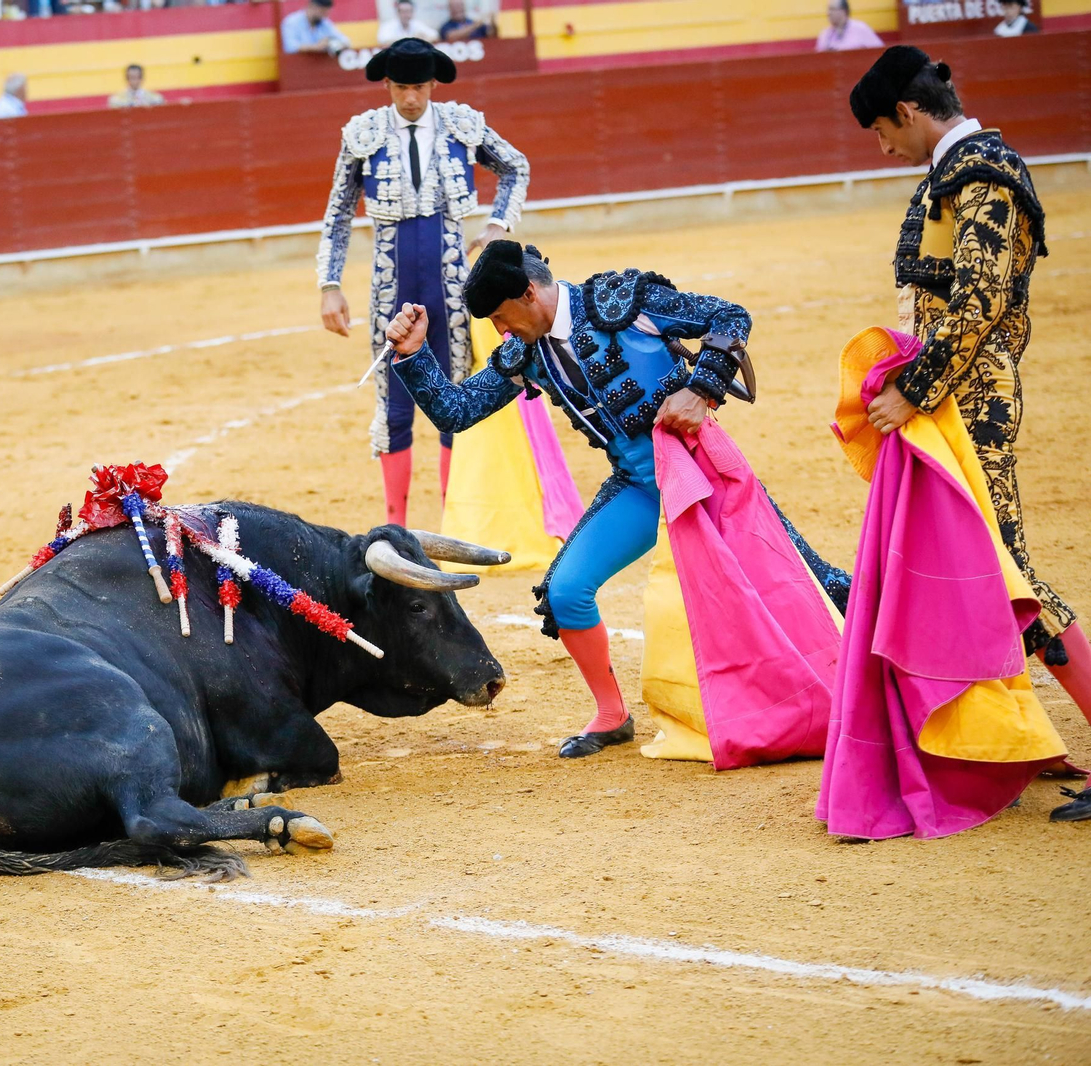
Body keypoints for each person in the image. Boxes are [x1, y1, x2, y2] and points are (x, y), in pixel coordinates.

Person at [384, 241, 851, 759]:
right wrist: (413, 355)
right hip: (636, 482)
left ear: (529, 292)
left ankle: (866, 678)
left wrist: (701, 390)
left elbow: (729, 316)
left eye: (501, 316)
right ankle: (612, 716)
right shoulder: (527, 353)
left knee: (811, 580)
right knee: (565, 590)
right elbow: (456, 411)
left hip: (702, 474)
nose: (501, 330)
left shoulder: (620, 301)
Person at [849, 46, 1091, 821]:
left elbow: (979, 300)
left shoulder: (982, 176)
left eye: (883, 131)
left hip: (969, 398)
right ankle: (1022, 739)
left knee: (1007, 580)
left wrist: (912, 392)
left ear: (909, 113)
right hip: (955, 395)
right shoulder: (957, 175)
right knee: (982, 574)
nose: (883, 148)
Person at [317, 39, 529, 526]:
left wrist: (499, 224)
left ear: (433, 85)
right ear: (386, 85)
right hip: (389, 286)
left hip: (452, 286)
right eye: (401, 87)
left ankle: (454, 522)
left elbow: (516, 167)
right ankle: (397, 528)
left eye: (418, 87)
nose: (410, 97)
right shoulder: (362, 135)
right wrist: (330, 284)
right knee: (394, 404)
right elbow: (338, 215)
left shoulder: (461, 125)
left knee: (454, 396)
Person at [281, 0, 349, 55]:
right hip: (297, 67)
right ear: (311, 6)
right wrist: (316, 47)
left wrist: (331, 43)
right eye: (322, 12)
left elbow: (345, 41)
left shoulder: (324, 22)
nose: (324, 16)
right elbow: (290, 47)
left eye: (326, 13)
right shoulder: (291, 22)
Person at [814, 0, 881, 53]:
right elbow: (819, 59)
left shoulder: (860, 28)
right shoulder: (825, 34)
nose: (829, 13)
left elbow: (879, 51)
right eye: (828, 9)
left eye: (832, 9)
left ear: (844, 11)